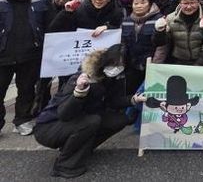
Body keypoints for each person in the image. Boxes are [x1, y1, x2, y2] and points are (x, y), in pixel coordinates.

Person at [34, 44, 145, 178]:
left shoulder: (111, 78)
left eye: (121, 65)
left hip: (79, 120)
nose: (116, 68)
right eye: (114, 64)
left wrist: (133, 99)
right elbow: (64, 113)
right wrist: (79, 92)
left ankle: (81, 150)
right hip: (50, 126)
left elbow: (112, 101)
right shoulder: (82, 78)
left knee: (120, 120)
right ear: (105, 61)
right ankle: (64, 165)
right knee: (93, 121)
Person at [0, 0, 53, 136]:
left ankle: (22, 120)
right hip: (3, 54)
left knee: (27, 90)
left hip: (31, 54)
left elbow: (50, 25)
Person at [152, 0, 203, 66]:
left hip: (202, 61)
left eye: (192, 3)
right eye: (185, 3)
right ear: (180, 3)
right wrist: (159, 32)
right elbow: (163, 44)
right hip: (178, 61)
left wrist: (199, 63)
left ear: (199, 2)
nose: (189, 7)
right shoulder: (171, 19)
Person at [121, 0, 163, 95]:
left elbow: (162, 46)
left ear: (150, 4)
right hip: (132, 66)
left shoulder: (159, 19)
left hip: (151, 65)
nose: (139, 6)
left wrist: (155, 65)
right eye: (136, 3)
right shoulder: (126, 21)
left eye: (143, 3)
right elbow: (124, 44)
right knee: (131, 94)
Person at [50, 0, 123, 35]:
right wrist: (66, 13)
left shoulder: (116, 12)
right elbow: (55, 30)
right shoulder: (79, 10)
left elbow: (120, 31)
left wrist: (107, 27)